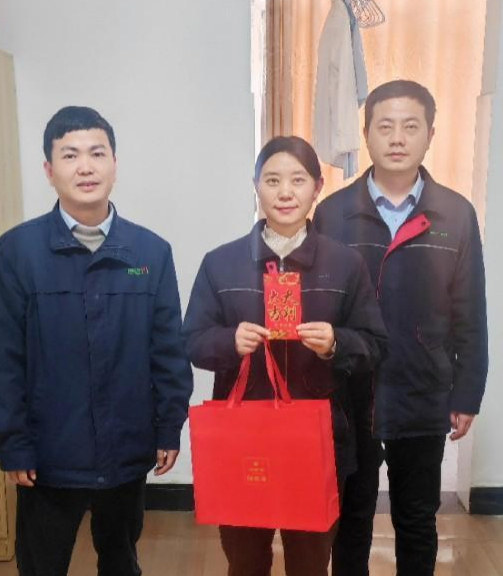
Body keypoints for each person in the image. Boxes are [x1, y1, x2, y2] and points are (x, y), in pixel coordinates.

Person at [0, 106, 193, 576]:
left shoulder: (149, 253)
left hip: (125, 448)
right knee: (42, 564)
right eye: (70, 154)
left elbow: (168, 351)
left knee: (120, 559)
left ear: (114, 164)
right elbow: (3, 359)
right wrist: (12, 443)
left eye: (97, 153)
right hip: (48, 453)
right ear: (49, 170)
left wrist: (168, 427)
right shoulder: (17, 252)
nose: (85, 166)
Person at [183, 135, 387, 576]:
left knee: (310, 562)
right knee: (245, 561)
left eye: (298, 180)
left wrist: (335, 343)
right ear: (256, 186)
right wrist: (229, 342)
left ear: (317, 187)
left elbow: (375, 344)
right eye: (272, 180)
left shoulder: (345, 264)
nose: (285, 192)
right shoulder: (221, 263)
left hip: (317, 441)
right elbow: (193, 341)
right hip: (244, 441)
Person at [315, 80, 489, 576]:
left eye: (410, 126)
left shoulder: (455, 214)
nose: (397, 138)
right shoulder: (332, 214)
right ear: (366, 133)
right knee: (351, 519)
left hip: (422, 389)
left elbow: (470, 312)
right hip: (349, 393)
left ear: (430, 135)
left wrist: (466, 393)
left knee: (416, 519)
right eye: (385, 126)